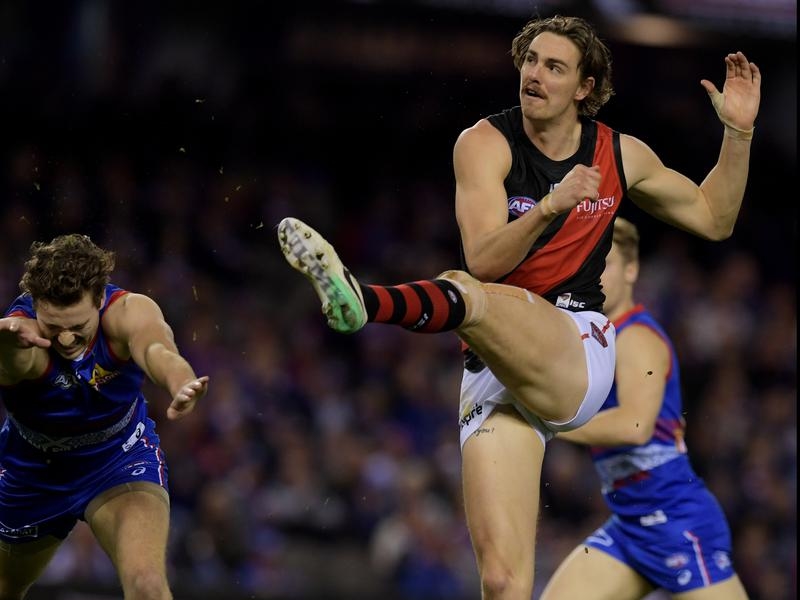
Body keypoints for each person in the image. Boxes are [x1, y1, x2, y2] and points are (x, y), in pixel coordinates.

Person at [277, 14, 760, 599]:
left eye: (555, 67)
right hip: (495, 370)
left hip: (575, 347)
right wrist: (551, 206)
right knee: (503, 582)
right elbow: (485, 257)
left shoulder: (617, 153)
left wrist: (738, 134)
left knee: (466, 292)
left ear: (584, 87)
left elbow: (714, 218)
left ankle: (365, 302)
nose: (535, 75)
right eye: (531, 60)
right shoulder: (483, 143)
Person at [540, 217, 749, 599]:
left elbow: (635, 426)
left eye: (606, 262)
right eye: (587, 262)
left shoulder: (635, 336)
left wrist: (550, 425)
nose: (594, 273)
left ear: (632, 269)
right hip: (630, 524)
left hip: (676, 519)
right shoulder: (597, 340)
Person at [0, 234, 209, 600]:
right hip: (33, 473)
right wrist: (5, 342)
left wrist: (181, 382)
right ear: (36, 304)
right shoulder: (19, 336)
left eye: (77, 327)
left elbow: (157, 349)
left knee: (147, 585)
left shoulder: (129, 312)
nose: (66, 340)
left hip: (118, 458)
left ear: (99, 298)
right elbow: (15, 363)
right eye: (54, 327)